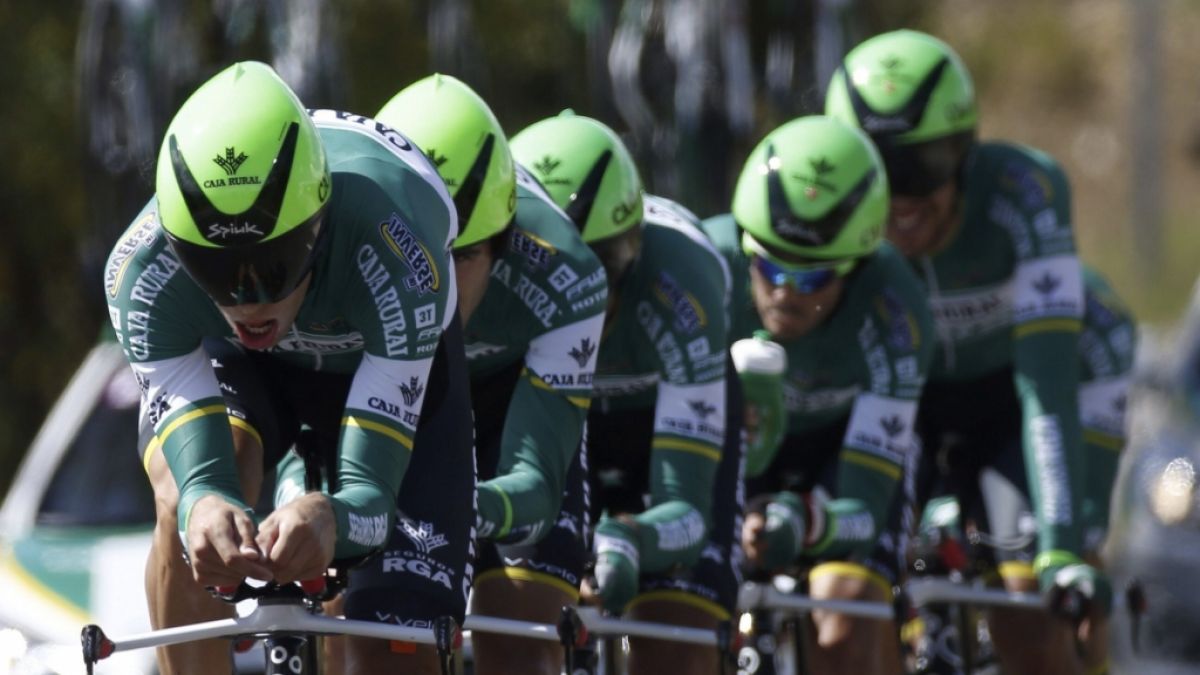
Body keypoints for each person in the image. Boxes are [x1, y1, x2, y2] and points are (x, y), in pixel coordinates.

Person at [103, 61, 474, 675]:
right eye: (215, 272)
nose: (248, 300)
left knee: (390, 655)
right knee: (191, 513)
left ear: (319, 226)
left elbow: (372, 501)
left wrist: (334, 515)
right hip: (252, 372)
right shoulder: (141, 273)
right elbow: (200, 478)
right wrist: (204, 498)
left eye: (272, 266)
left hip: (382, 365)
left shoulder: (396, 248)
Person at [826, 29, 1111, 674]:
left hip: (1003, 405)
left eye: (922, 169)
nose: (900, 200)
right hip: (898, 408)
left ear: (965, 153)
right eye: (877, 170)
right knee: (854, 614)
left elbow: (1046, 384)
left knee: (1032, 616)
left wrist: (1062, 548)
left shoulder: (1025, 190)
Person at [374, 74, 607, 675]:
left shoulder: (564, 269)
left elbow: (534, 484)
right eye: (420, 249)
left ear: (504, 242)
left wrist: (452, 509)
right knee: (377, 650)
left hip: (509, 418)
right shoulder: (355, 241)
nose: (437, 279)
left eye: (463, 255)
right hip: (398, 407)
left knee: (519, 645)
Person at [510, 112, 742, 674]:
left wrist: (632, 537)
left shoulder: (684, 279)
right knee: (518, 636)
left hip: (661, 447)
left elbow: (686, 510)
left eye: (601, 267)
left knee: (674, 649)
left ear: (633, 251)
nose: (581, 295)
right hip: (562, 436)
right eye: (552, 271)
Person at [702, 115, 934, 675]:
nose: (784, 292)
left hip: (842, 464)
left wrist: (808, 521)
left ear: (853, 268)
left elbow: (866, 497)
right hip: (723, 454)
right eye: (768, 265)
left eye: (811, 279)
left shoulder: (896, 307)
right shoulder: (704, 265)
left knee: (844, 628)